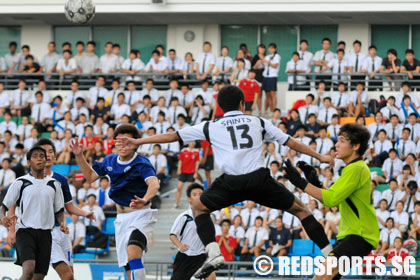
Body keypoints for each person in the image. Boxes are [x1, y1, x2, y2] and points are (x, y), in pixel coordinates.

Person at [117, 85, 333, 278]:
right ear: (242, 103)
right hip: (258, 179)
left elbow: (173, 136)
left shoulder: (210, 126)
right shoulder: (258, 121)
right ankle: (329, 253)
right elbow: (291, 142)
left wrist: (139, 140)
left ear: (219, 106)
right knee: (301, 210)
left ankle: (212, 252)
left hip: (230, 182)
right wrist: (321, 157)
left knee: (198, 209)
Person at [283, 123, 380, 280]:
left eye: (342, 140)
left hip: (360, 235)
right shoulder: (352, 168)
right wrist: (316, 184)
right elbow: (337, 198)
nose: (336, 144)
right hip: (351, 235)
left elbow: (331, 199)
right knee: (324, 276)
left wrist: (300, 183)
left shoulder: (356, 168)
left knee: (323, 275)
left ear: (355, 146)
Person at [71, 124, 160, 279]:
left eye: (127, 141)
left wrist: (145, 199)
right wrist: (79, 156)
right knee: (127, 267)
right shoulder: (110, 160)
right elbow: (91, 178)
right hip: (121, 219)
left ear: (135, 143)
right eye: (119, 141)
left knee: (133, 253)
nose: (122, 144)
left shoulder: (142, 163)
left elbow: (154, 184)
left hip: (141, 215)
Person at [0, 146, 66, 280]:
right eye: (35, 156)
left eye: (42, 156)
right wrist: (2, 218)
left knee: (39, 276)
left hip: (46, 234)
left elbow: (60, 210)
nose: (39, 159)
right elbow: (4, 207)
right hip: (26, 232)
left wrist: (62, 222)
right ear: (29, 162)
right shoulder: (20, 182)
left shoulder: (54, 184)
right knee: (29, 269)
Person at [170, 183, 216, 280]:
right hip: (185, 256)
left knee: (211, 278)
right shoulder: (185, 217)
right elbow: (172, 235)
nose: (198, 197)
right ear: (189, 199)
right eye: (194, 195)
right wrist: (180, 246)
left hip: (201, 256)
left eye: (200, 194)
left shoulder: (209, 217)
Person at [262, 43, 281, 114]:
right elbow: (264, 65)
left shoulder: (277, 56)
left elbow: (275, 65)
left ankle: (274, 110)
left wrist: (267, 62)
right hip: (266, 76)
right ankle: (267, 110)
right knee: (267, 94)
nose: (271, 49)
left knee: (273, 93)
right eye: (269, 48)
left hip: (272, 76)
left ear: (275, 49)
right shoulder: (267, 56)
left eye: (272, 48)